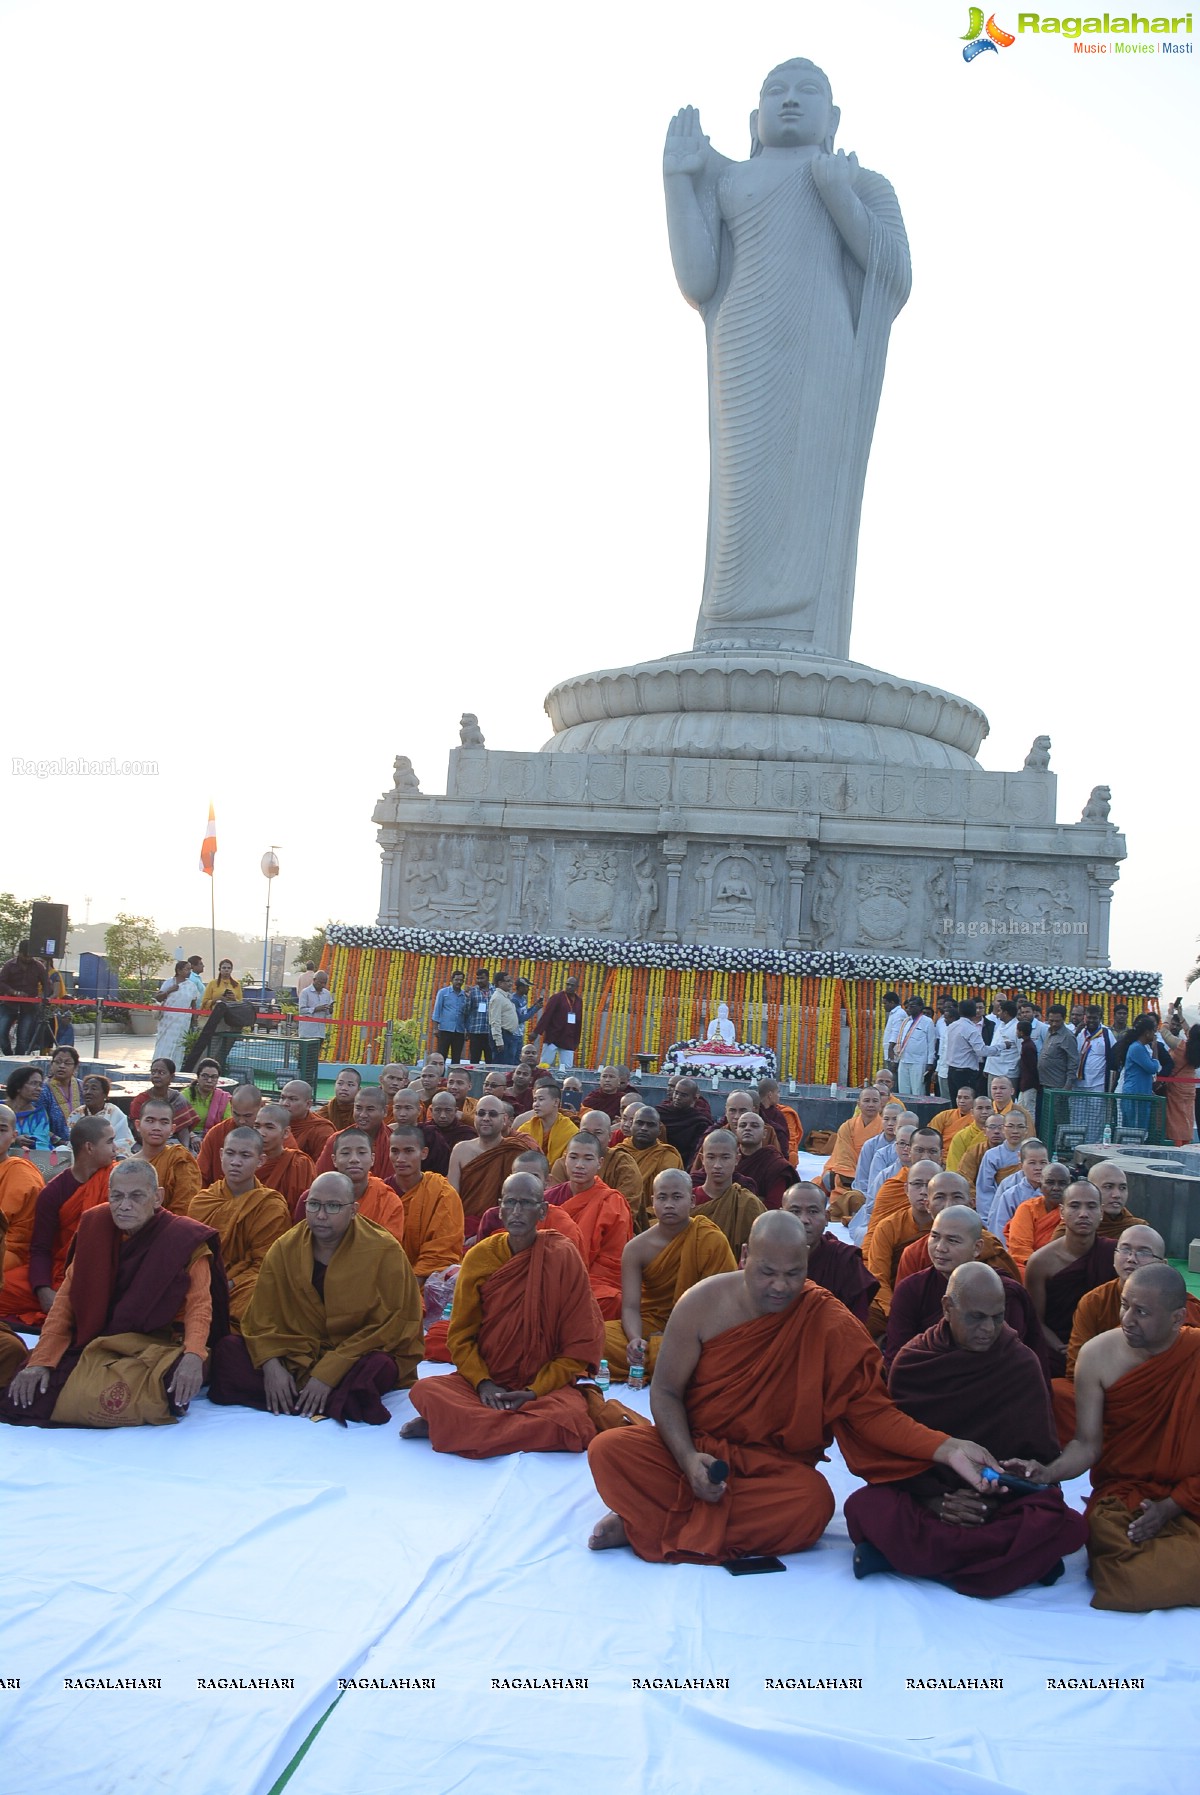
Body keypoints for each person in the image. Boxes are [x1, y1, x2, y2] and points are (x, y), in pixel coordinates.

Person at [587, 1211, 997, 1563]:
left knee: (812, 1504)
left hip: (770, 1467)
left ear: (807, 1265)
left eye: (793, 1274)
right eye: (767, 1273)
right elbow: (665, 1393)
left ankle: (645, 1520)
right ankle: (664, 1516)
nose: (781, 1287)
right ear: (745, 1257)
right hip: (696, 1449)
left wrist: (945, 1447)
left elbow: (872, 1413)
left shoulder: (824, 1319)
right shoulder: (701, 1304)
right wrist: (688, 1457)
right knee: (608, 1449)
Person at [846, 1263, 1087, 1595]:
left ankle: (901, 1558)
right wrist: (937, 1502)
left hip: (999, 1503)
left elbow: (1040, 1460)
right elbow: (897, 1457)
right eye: (976, 1317)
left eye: (998, 1317)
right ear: (947, 1308)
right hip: (931, 1500)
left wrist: (1009, 1487)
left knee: (1058, 1517)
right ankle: (1019, 1563)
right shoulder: (914, 1362)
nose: (989, 1328)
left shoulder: (1020, 1363)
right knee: (865, 1505)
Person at [1012, 1264, 1200, 1611]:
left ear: (1177, 1318)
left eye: (1141, 1312)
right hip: (1125, 1493)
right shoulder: (1098, 1355)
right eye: (1124, 1305)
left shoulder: (1195, 1355)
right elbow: (1087, 1445)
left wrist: (1172, 1506)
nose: (1127, 1319)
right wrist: (1048, 1472)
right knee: (1120, 1568)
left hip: (1190, 1490)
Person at [1, 1159, 227, 1428]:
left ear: (158, 1198)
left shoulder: (184, 1237)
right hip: (98, 1340)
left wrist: (193, 1356)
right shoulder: (96, 1226)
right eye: (117, 1196)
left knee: (173, 1384)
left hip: (158, 1344)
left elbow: (199, 1306)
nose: (124, 1205)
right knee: (24, 1396)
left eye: (136, 1196)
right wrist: (41, 1360)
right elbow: (64, 1303)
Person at [402, 1173, 604, 1455]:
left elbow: (580, 1343)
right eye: (510, 1203)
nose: (517, 1211)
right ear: (500, 1208)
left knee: (571, 1420)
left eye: (526, 1203)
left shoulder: (562, 1255)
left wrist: (535, 1391)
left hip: (542, 1388)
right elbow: (461, 1335)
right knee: (425, 1391)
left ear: (542, 1210)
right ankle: (493, 1424)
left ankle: (456, 1425)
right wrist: (484, 1383)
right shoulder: (480, 1257)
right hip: (488, 1381)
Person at [210, 1171, 423, 1424]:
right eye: (313, 1204)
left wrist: (329, 1372)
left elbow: (394, 1325)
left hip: (354, 1353)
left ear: (354, 1210)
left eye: (333, 1206)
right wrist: (271, 1367)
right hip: (295, 1350)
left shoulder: (384, 1250)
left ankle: (294, 1398)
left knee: (379, 1367)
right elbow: (260, 1318)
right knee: (227, 1351)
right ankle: (329, 1400)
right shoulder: (285, 1247)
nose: (321, 1215)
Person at [1052, 1225, 1200, 1439]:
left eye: (1144, 1252)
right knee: (1058, 1391)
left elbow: (1186, 1366)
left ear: (1163, 1264)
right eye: (1125, 1249)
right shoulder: (1094, 1301)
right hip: (1108, 1395)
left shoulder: (1180, 1307)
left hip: (1167, 1399)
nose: (1131, 1258)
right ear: (1113, 1257)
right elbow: (1075, 1368)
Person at [882, 1206, 1047, 1377]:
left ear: (977, 1247)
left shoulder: (1001, 1290)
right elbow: (897, 1357)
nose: (940, 1248)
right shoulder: (911, 1289)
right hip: (926, 1386)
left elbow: (1010, 1358)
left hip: (991, 1386)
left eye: (952, 1241)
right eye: (934, 1237)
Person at [604, 1170, 736, 1382]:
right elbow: (630, 1307)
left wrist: (680, 1337)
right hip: (653, 1323)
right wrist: (635, 1339)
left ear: (692, 1200)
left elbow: (723, 1304)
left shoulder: (710, 1238)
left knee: (724, 1351)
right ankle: (663, 1357)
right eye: (662, 1198)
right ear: (652, 1201)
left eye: (677, 1197)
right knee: (597, 1337)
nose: (669, 1204)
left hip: (697, 1329)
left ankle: (660, 1355)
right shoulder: (636, 1248)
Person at [189, 1126, 292, 1326]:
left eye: (245, 1155)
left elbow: (267, 1264)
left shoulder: (270, 1206)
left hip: (243, 1285)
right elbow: (192, 1256)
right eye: (230, 1153)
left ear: (260, 1161)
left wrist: (228, 1284)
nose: (235, 1162)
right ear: (221, 1155)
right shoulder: (202, 1201)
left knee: (263, 1297)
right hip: (203, 1281)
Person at [1024, 1181, 1117, 1378]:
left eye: (1091, 1206)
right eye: (1075, 1206)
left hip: (1106, 1344)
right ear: (1062, 1212)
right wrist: (1064, 1348)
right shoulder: (1040, 1262)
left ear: (1101, 1212)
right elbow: (1036, 1321)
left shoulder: (1114, 1255)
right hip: (1058, 1349)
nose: (1083, 1213)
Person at [26, 1117, 116, 1313]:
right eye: (109, 1141)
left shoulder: (117, 1179)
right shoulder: (53, 1193)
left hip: (107, 1268)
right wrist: (43, 1290)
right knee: (7, 1288)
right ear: (89, 1148)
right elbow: (40, 1248)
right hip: (64, 1270)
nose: (116, 1148)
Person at [544, 1130, 633, 1317]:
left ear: (599, 1163)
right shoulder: (549, 1198)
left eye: (588, 1159)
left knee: (611, 1301)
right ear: (565, 1159)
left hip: (590, 1280)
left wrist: (574, 1283)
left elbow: (612, 1261)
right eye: (574, 1157)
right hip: (547, 1274)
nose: (579, 1165)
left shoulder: (612, 1202)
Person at [892, 1168, 1019, 1286]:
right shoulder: (914, 1254)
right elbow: (906, 1300)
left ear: (971, 1204)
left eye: (957, 1197)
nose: (949, 1205)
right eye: (939, 1197)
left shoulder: (990, 1247)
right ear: (927, 1206)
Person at [780, 1181, 877, 1327]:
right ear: (781, 1215)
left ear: (826, 1217)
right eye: (795, 1211)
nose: (804, 1220)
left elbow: (855, 1324)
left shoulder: (845, 1261)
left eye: (813, 1211)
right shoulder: (767, 1257)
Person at [293, 1127, 406, 1244]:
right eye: (345, 1153)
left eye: (361, 1153)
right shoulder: (311, 1200)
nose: (354, 1159)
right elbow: (300, 1244)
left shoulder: (387, 1200)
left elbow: (389, 1250)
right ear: (334, 1160)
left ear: (372, 1159)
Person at [864, 1158, 937, 1337]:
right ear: (906, 1189)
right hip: (893, 1301)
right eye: (917, 1184)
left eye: (930, 1185)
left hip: (937, 1303)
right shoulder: (888, 1227)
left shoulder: (951, 1227)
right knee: (863, 1316)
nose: (923, 1192)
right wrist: (895, 1313)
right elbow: (878, 1277)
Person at [385, 1124, 465, 1280]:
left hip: (427, 1281)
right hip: (385, 1279)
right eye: (395, 1151)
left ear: (423, 1153)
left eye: (409, 1151)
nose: (400, 1159)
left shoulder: (442, 1193)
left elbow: (441, 1249)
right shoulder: (380, 1193)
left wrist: (411, 1288)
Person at [450, 1095, 535, 1238]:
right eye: (481, 1113)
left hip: (502, 1227)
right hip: (464, 1226)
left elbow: (521, 1198)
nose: (486, 1118)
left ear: (505, 1120)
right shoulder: (460, 1150)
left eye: (493, 1114)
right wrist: (457, 1231)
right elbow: (452, 1198)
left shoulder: (515, 1151)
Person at [547, 1108, 643, 1221]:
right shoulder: (563, 1164)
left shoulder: (623, 1163)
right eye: (585, 1132)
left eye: (598, 1133)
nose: (591, 1138)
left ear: (610, 1136)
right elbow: (554, 1205)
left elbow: (626, 1209)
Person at [0, 1104, 46, 1327]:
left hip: (9, 1251)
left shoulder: (21, 1173)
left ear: (14, 1135)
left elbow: (18, 1236)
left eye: (1, 1129)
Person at [693, 1130, 765, 1259]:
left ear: (737, 1159)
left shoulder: (747, 1203)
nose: (717, 1165)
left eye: (725, 1157)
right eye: (711, 1157)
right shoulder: (689, 1200)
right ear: (702, 1159)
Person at [131, 1098, 203, 1215]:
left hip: (170, 1229)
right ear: (138, 1125)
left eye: (164, 1122)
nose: (156, 1127)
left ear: (172, 1129)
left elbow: (185, 1207)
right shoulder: (126, 1165)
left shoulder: (180, 1159)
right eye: (150, 1121)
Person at [313, 1084, 394, 1181]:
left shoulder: (394, 1141)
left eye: (370, 1109)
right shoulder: (337, 1139)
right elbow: (321, 1178)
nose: (363, 1115)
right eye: (358, 1108)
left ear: (384, 1111)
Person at [1005, 1159, 1072, 1269]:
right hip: (1028, 1264)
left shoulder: (1074, 1211)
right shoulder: (1027, 1209)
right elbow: (1020, 1247)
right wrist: (1039, 1269)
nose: (1056, 1188)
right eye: (1050, 1182)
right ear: (1040, 1185)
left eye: (1062, 1183)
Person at [621, 1105, 685, 1218]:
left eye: (650, 1125)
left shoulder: (668, 1157)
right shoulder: (618, 1153)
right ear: (631, 1126)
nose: (644, 1128)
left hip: (653, 1216)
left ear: (659, 1130)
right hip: (618, 1212)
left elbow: (671, 1197)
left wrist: (645, 1214)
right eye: (640, 1123)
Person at [196, 1084, 266, 1185]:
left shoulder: (273, 1135)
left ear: (262, 1106)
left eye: (248, 1116)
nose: (241, 1121)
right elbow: (200, 1175)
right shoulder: (217, 1133)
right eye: (236, 1114)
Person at [253, 1102, 317, 1208]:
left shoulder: (299, 1164)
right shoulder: (246, 1161)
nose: (261, 1133)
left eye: (269, 1127)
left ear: (286, 1132)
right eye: (257, 1126)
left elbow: (304, 1206)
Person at [822, 1085, 883, 1194]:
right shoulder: (848, 1126)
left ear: (881, 1105)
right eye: (866, 1101)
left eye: (875, 1101)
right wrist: (854, 1174)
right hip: (849, 1173)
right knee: (828, 1178)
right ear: (859, 1104)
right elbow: (843, 1155)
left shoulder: (885, 1128)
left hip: (875, 1173)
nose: (871, 1104)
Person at [986, 1135, 1049, 1239]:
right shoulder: (1010, 1194)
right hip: (1015, 1246)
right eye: (1032, 1163)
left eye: (1043, 1163)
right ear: (1021, 1166)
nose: (1038, 1168)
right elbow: (999, 1226)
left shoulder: (1052, 1193)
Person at [130, 1057, 198, 1147]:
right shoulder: (140, 1100)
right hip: (145, 1144)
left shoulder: (177, 1098)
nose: (156, 1076)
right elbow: (138, 1132)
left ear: (172, 1077)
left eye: (161, 1073)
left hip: (173, 1143)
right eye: (153, 1072)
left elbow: (183, 1129)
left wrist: (185, 1151)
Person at [733, 1110, 795, 1209]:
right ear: (736, 1131)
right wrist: (757, 1199)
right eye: (743, 1125)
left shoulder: (776, 1165)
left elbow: (773, 1206)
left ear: (764, 1133)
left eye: (754, 1126)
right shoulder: (726, 1158)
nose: (748, 1128)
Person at [68, 1072, 135, 1157]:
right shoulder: (76, 1114)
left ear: (105, 1095)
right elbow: (72, 1141)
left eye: (94, 1089)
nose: (88, 1092)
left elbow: (124, 1140)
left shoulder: (114, 1112)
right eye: (85, 1088)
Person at [0, 940, 50, 1054]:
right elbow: (1, 983)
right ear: (20, 953)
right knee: (1, 1033)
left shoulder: (38, 966)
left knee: (23, 1038)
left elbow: (47, 984)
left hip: (29, 1007)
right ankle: (8, 1055)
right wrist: (14, 992)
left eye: (30, 956)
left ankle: (19, 1062)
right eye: (26, 956)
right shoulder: (9, 965)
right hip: (9, 1005)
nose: (28, 958)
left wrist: (43, 996)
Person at [974, 1111, 1026, 1218]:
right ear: (1003, 1129)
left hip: (1026, 1207)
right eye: (1010, 1126)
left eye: (1020, 1127)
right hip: (999, 1208)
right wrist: (989, 1217)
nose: (1015, 1131)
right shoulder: (992, 1155)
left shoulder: (1031, 1154)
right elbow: (985, 1190)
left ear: (1026, 1130)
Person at [514, 1081, 578, 1165]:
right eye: (535, 1100)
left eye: (541, 1099)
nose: (535, 1105)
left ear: (556, 1102)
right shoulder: (526, 1128)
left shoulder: (570, 1130)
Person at [1081, 1160, 1146, 1241]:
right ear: (1090, 1189)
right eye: (1108, 1187)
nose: (1117, 1195)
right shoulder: (1073, 1227)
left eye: (1122, 1188)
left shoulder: (1138, 1229)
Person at [5, 1065, 67, 1151]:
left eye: (40, 1085)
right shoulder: (2, 1110)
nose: (39, 1089)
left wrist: (29, 1142)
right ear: (18, 1086)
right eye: (34, 1083)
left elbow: (42, 1144)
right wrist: (14, 1140)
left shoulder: (39, 1115)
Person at [152, 961, 200, 1065]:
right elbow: (158, 998)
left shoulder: (191, 986)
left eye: (190, 969)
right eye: (187, 969)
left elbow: (193, 1003)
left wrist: (195, 1020)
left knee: (179, 1046)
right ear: (179, 970)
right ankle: (159, 1065)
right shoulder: (169, 982)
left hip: (183, 1022)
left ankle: (175, 1068)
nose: (189, 972)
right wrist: (169, 990)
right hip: (167, 1020)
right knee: (163, 1044)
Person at [655, 1077, 712, 1164]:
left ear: (694, 1099)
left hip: (682, 1163)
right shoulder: (660, 1112)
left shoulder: (699, 1122)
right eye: (676, 1093)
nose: (677, 1097)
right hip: (655, 1159)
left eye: (683, 1095)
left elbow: (695, 1152)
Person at [278, 1078, 336, 1160]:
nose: (285, 1104)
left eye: (292, 1099)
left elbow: (322, 1167)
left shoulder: (322, 1130)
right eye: (282, 1098)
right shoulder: (274, 1123)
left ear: (308, 1104)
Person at [535, 976, 583, 1069]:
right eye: (567, 984)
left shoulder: (578, 1001)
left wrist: (576, 1040)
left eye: (572, 985)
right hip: (553, 1038)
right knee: (544, 1065)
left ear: (577, 987)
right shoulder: (557, 997)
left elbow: (579, 1021)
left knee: (567, 1068)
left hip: (568, 1039)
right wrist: (536, 1031)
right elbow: (547, 1015)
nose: (569, 987)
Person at [942, 999, 985, 1102]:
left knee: (956, 1102)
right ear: (974, 1012)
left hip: (952, 1070)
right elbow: (982, 1051)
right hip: (965, 1072)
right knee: (967, 1103)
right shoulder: (971, 1029)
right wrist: (1002, 1047)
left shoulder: (952, 1026)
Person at [893, 997, 936, 1098]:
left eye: (912, 1006)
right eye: (908, 1006)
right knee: (903, 1091)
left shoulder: (927, 1021)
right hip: (903, 1060)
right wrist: (896, 1060)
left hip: (918, 1062)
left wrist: (930, 1062)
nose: (909, 1008)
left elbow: (931, 1043)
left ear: (920, 1007)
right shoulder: (906, 1021)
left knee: (917, 1091)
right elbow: (900, 1041)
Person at [1037, 1005, 1080, 1104]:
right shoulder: (1048, 1031)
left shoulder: (1068, 1036)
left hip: (1058, 1086)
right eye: (1051, 1021)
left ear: (1064, 1019)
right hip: (1044, 1083)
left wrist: (1067, 1086)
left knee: (1058, 1117)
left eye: (1057, 1021)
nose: (1054, 1024)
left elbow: (1073, 1062)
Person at [186, 1057, 231, 1144]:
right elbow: (179, 1121)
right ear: (198, 1077)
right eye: (205, 1076)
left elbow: (227, 1123)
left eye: (214, 1077)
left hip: (214, 1138)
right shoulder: (186, 1095)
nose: (209, 1080)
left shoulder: (222, 1098)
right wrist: (192, 1136)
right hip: (187, 1137)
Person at [757, 1078, 804, 1160]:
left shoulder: (779, 1114)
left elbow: (788, 1140)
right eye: (778, 1092)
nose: (779, 1096)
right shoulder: (754, 1112)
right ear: (770, 1095)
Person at [430, 970, 468, 1061]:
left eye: (461, 980)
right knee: (442, 1056)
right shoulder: (443, 993)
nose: (459, 982)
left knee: (457, 1057)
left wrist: (467, 1030)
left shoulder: (465, 995)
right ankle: (440, 1075)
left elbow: (467, 1014)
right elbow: (437, 1010)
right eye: (457, 980)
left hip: (459, 1030)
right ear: (452, 980)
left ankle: (454, 1075)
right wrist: (435, 1028)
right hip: (445, 1029)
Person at [982, 998, 1021, 1086]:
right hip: (993, 1070)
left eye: (1000, 1011)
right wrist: (987, 1068)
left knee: (1006, 1099)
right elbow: (994, 1046)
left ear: (1005, 1013)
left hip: (1007, 1074)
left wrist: (1012, 1068)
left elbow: (1021, 1052)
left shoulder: (1017, 1028)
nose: (998, 1013)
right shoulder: (1000, 1025)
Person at [43, 1045, 85, 1128]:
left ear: (75, 1067)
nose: (62, 1066)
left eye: (67, 1063)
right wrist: (59, 1141)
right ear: (51, 1064)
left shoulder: (82, 1086)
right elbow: (39, 1124)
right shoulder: (43, 1090)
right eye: (58, 1062)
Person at [487, 971, 522, 1065]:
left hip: (508, 1035)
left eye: (511, 981)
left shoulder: (505, 996)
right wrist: (499, 1041)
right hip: (502, 1035)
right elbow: (495, 1021)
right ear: (500, 983)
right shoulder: (497, 998)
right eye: (508, 981)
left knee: (508, 1064)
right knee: (501, 1066)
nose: (511, 984)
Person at [315, 1066, 362, 1132]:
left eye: (350, 1085)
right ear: (334, 1085)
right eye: (340, 1083)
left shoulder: (362, 1114)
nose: (344, 1088)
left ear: (358, 1089)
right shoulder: (324, 1113)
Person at [462, 971, 494, 1063]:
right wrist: (467, 998)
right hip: (476, 1031)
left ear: (488, 978)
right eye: (477, 978)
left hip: (490, 1032)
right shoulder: (472, 991)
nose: (479, 981)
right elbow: (466, 1011)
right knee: (475, 1060)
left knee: (490, 1060)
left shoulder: (495, 991)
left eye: (482, 978)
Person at [298, 969, 334, 1043]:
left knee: (316, 1054)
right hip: (307, 1033)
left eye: (325, 983)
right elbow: (301, 1010)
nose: (323, 985)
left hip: (320, 1033)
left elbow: (328, 1014)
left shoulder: (327, 993)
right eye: (320, 983)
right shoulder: (305, 992)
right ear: (314, 980)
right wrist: (315, 1009)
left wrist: (330, 1010)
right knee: (305, 1054)